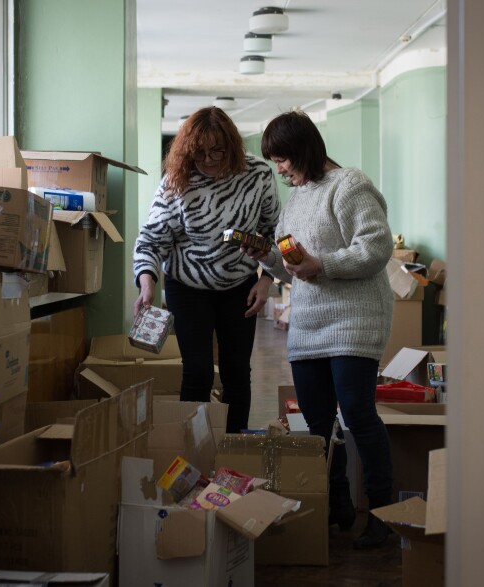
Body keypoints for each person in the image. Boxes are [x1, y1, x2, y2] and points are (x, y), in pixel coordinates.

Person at [245, 110, 395, 549]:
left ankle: (382, 513)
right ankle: (338, 503)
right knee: (315, 422)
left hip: (354, 320)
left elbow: (376, 246)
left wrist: (324, 264)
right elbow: (295, 270)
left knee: (357, 413)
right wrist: (267, 257)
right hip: (309, 324)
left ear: (303, 149)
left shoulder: (350, 184)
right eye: (273, 161)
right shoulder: (296, 200)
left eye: (282, 159)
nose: (279, 169)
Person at [133, 106, 280, 434]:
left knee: (236, 372)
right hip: (187, 285)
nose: (210, 160)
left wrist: (267, 279)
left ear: (233, 146)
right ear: (187, 151)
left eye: (218, 151)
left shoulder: (258, 176)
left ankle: (234, 445)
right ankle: (193, 447)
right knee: (197, 370)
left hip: (239, 284)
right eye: (199, 153)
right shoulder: (177, 179)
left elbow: (275, 233)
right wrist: (147, 283)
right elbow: (152, 238)